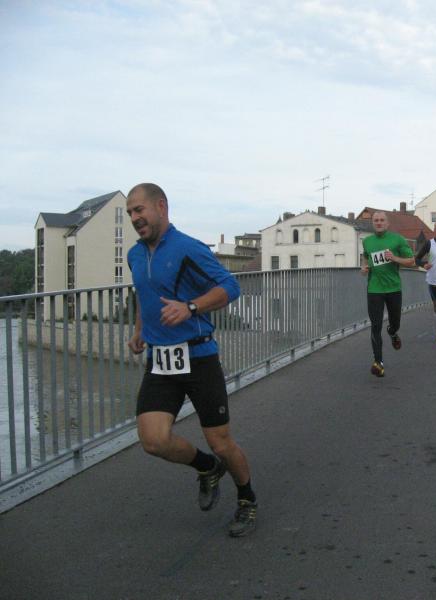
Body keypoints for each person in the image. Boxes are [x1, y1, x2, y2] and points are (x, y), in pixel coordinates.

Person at [126, 183, 257, 538]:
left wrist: (191, 307)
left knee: (221, 442)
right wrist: (139, 330)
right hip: (160, 360)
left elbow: (230, 286)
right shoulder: (135, 254)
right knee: (153, 440)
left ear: (161, 206)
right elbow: (145, 295)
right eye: (130, 213)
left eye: (139, 209)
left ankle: (247, 498)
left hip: (198, 356)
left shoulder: (187, 248)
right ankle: (207, 468)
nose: (135, 218)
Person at [360, 211, 416, 377]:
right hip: (374, 289)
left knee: (395, 323)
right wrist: (364, 267)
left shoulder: (397, 239)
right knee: (375, 325)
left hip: (393, 288)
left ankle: (392, 332)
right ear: (373, 223)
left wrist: (395, 258)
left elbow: (411, 261)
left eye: (382, 220)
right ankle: (378, 362)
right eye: (376, 220)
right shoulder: (367, 241)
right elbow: (365, 257)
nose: (379, 223)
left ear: (387, 223)